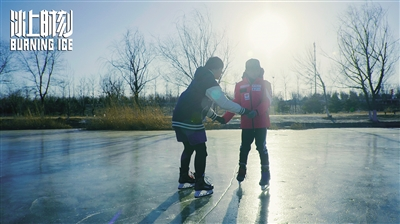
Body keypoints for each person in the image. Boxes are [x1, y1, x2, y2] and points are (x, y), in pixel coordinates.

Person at [172, 56, 256, 198]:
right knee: (201, 150)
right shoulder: (209, 81)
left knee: (189, 148)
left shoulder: (198, 80)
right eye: (220, 70)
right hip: (190, 121)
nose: (220, 74)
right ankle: (199, 184)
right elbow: (223, 102)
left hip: (178, 118)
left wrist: (216, 117)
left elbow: (202, 105)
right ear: (216, 68)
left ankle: (184, 177)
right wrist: (245, 111)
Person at [221, 58, 272, 188]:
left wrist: (257, 111)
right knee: (244, 147)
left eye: (255, 69)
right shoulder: (239, 85)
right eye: (250, 69)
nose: (253, 72)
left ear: (259, 70)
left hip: (260, 122)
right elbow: (236, 103)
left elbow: (267, 101)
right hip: (247, 123)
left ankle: (265, 173)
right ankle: (242, 168)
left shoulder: (265, 84)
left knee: (261, 147)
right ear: (246, 70)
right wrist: (225, 118)